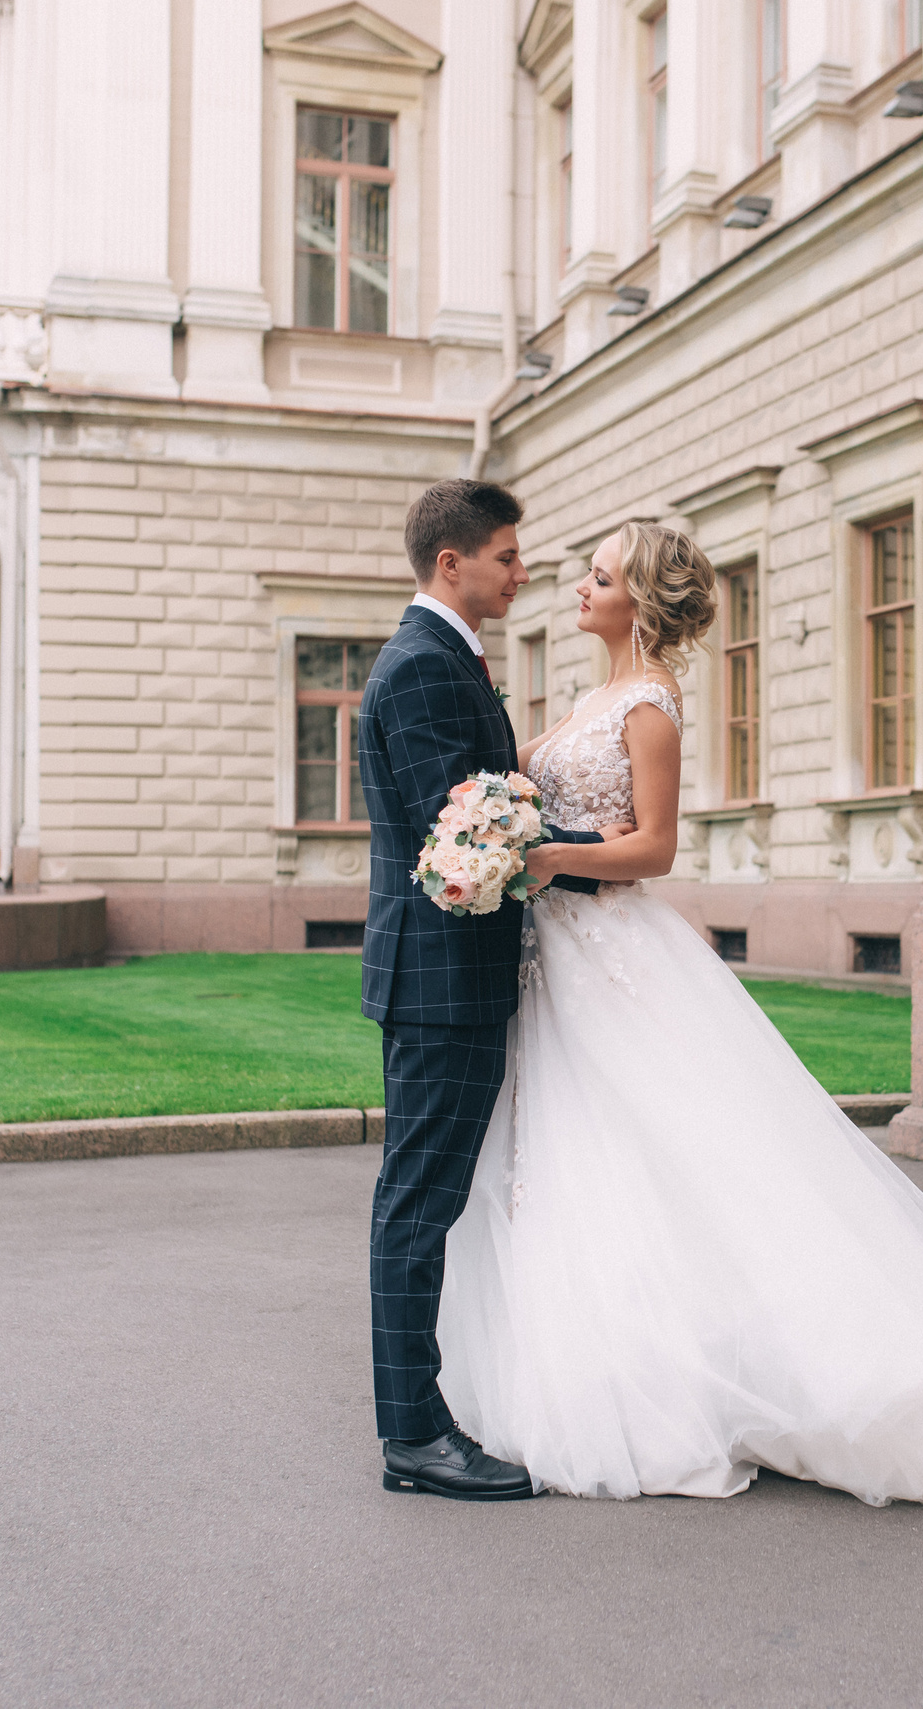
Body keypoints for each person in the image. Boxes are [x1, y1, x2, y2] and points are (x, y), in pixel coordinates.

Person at [435, 519, 923, 1523]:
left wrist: (546, 856)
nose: (577, 591)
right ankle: (627, 1362)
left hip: (613, 956)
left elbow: (652, 848)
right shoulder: (587, 699)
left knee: (662, 1157)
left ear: (637, 602)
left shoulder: (648, 705)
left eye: (595, 578)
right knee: (583, 1164)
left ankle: (742, 1380)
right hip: (554, 960)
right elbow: (532, 794)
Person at [357, 478, 620, 1501]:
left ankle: (427, 1416)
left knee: (426, 1200)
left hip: (449, 974)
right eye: (508, 556)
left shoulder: (447, 655)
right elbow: (457, 838)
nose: (522, 571)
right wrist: (609, 857)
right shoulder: (422, 667)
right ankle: (414, 1435)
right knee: (417, 1206)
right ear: (451, 562)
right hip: (440, 978)